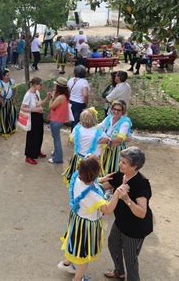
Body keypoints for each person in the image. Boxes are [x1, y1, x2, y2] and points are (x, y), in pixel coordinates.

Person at [58, 157, 129, 281]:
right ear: (95, 173)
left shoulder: (76, 177)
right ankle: (78, 279)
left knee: (74, 243)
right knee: (83, 255)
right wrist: (117, 193)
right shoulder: (94, 196)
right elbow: (107, 209)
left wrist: (101, 180)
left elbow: (90, 182)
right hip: (86, 225)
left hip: (77, 218)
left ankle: (66, 264)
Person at [99, 147, 153, 281]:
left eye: (123, 163)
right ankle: (119, 272)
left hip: (135, 228)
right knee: (113, 244)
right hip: (121, 221)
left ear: (134, 167)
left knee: (130, 260)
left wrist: (127, 199)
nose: (119, 164)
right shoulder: (119, 175)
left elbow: (142, 213)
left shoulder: (141, 184)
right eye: (120, 161)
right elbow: (102, 186)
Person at [61, 108, 108, 186]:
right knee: (91, 179)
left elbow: (72, 139)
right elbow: (107, 140)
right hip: (92, 161)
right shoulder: (99, 132)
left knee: (77, 178)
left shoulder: (77, 129)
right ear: (94, 119)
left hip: (77, 159)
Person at [21, 77, 51, 165]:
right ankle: (29, 156)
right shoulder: (28, 94)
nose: (41, 86)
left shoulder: (36, 92)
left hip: (38, 116)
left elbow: (38, 103)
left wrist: (47, 98)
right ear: (34, 85)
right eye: (40, 84)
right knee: (32, 136)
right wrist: (35, 110)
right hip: (32, 117)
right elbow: (23, 108)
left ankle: (37, 151)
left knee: (39, 134)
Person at [99, 100, 132, 175]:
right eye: (114, 109)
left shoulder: (125, 122)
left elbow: (119, 140)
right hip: (107, 148)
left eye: (119, 110)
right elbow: (99, 127)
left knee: (114, 170)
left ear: (123, 111)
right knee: (104, 169)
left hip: (117, 150)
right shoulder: (108, 118)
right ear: (111, 109)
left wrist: (107, 141)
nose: (116, 111)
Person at [48, 77, 70, 164]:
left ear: (59, 87)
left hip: (56, 120)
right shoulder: (64, 96)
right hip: (58, 120)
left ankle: (58, 158)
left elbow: (51, 106)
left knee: (56, 139)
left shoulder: (60, 97)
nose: (55, 86)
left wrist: (51, 98)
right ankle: (56, 153)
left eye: (56, 85)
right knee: (55, 137)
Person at [0, 70, 17, 139]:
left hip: (10, 101)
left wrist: (13, 98)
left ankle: (12, 129)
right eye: (7, 75)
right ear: (3, 76)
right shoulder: (0, 84)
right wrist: (2, 102)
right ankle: (4, 131)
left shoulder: (12, 81)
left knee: (12, 114)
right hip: (4, 102)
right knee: (4, 116)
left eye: (9, 75)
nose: (9, 76)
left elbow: (15, 90)